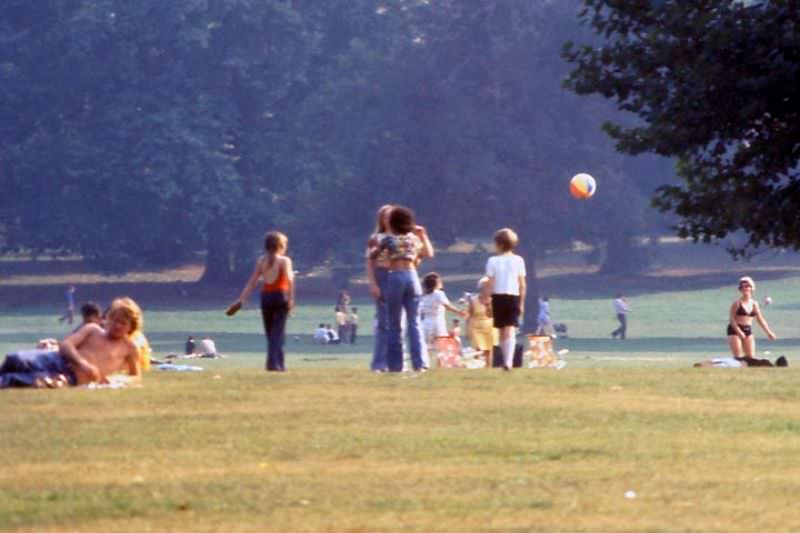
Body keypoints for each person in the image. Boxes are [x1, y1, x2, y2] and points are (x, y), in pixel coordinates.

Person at [1, 298, 142, 388]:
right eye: (115, 320)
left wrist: (115, 380)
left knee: (15, 380)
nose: (117, 325)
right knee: (15, 359)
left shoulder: (130, 348)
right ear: (108, 319)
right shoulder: (93, 330)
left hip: (71, 377)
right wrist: (83, 363)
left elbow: (136, 377)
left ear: (131, 327)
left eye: (123, 323)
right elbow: (66, 345)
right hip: (57, 360)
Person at [369, 206, 433, 372]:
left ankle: (396, 365)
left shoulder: (389, 240)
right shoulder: (413, 239)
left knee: (395, 323)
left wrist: (380, 252)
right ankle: (420, 363)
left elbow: (373, 256)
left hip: (395, 276)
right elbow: (428, 253)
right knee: (415, 321)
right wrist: (420, 235)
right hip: (412, 276)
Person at [227, 231, 295, 372]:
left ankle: (279, 364)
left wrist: (241, 300)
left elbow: (252, 282)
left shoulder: (261, 261)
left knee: (271, 333)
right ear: (281, 245)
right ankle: (274, 365)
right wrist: (291, 299)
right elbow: (289, 280)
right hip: (280, 296)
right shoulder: (284, 261)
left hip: (266, 297)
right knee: (278, 332)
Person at [485, 228, 526, 371]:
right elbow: (522, 284)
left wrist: (487, 301)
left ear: (500, 244)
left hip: (499, 296)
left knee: (504, 329)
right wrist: (521, 302)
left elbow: (490, 283)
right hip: (513, 296)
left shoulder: (493, 261)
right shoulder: (518, 260)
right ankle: (506, 361)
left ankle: (507, 361)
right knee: (508, 329)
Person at [366, 205, 394, 372]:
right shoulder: (375, 238)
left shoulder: (402, 237)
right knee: (383, 323)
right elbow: (370, 262)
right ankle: (378, 363)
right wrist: (373, 284)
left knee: (398, 322)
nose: (388, 220)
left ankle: (395, 361)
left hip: (398, 274)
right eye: (385, 217)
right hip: (382, 276)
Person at [727, 276, 777, 357]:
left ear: (751, 288)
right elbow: (732, 319)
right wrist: (739, 332)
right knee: (737, 357)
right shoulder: (736, 303)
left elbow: (760, 319)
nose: (745, 288)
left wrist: (769, 332)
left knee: (750, 358)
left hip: (747, 330)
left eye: (747, 286)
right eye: (742, 286)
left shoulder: (754, 304)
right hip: (735, 330)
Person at [419, 272, 464, 353]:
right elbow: (447, 306)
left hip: (425, 323)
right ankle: (442, 363)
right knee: (442, 346)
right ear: (436, 284)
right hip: (437, 323)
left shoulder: (423, 296)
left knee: (427, 347)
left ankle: (425, 364)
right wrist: (459, 312)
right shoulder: (439, 294)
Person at [465, 276, 497, 367]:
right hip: (476, 327)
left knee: (489, 350)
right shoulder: (473, 300)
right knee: (478, 349)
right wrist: (467, 330)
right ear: (481, 288)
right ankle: (477, 366)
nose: (489, 289)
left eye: (490, 287)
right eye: (487, 287)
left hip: (490, 327)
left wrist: (489, 307)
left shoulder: (493, 300)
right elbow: (469, 315)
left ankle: (488, 368)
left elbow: (493, 315)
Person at [694, 355, 788, 368]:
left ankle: (700, 365)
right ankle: (700, 366)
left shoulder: (765, 361)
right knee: (718, 365)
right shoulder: (767, 365)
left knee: (716, 361)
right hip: (738, 364)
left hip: (737, 359)